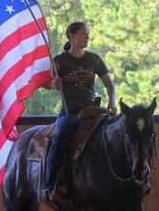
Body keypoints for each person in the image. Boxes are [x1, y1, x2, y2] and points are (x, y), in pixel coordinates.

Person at [42, 21, 116, 199]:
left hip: (92, 110)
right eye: (83, 33)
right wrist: (54, 85)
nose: (87, 36)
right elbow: (44, 82)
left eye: (88, 33)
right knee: (63, 134)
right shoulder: (59, 61)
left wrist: (112, 103)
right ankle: (50, 184)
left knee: (113, 133)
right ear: (72, 36)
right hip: (70, 112)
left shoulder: (94, 59)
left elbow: (109, 85)